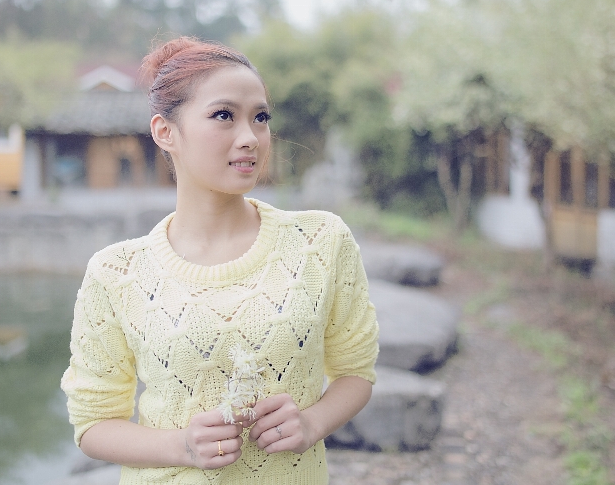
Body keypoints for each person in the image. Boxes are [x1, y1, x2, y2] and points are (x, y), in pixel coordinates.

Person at [61, 37, 379, 484]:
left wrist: (313, 423)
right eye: (224, 115)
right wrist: (182, 446)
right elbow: (93, 425)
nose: (250, 137)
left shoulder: (321, 242)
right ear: (165, 132)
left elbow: (356, 372)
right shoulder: (116, 273)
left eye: (261, 117)